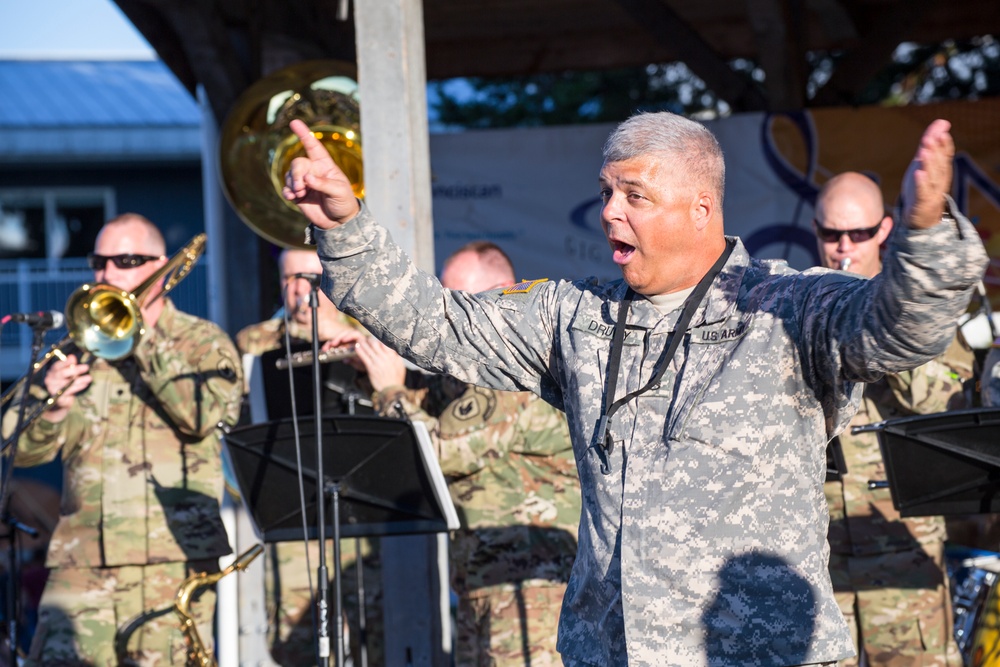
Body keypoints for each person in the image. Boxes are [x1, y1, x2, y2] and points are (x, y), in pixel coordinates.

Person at [281, 114, 989, 666]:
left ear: (700, 208)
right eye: (606, 193)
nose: (610, 212)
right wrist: (346, 227)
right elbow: (433, 325)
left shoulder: (788, 307)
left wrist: (924, 235)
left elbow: (901, 331)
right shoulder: (575, 317)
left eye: (635, 195)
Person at [2, 214, 243, 666]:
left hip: (171, 561)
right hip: (80, 561)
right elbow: (23, 449)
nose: (108, 274)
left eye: (127, 260)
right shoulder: (76, 348)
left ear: (163, 269)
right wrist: (53, 406)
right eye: (99, 261)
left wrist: (142, 335)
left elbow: (203, 415)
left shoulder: (202, 342)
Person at [336, 241, 581, 666]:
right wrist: (368, 372)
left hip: (530, 591)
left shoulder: (517, 380)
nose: (455, 319)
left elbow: (440, 451)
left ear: (505, 292)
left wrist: (389, 390)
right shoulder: (476, 375)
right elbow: (437, 401)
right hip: (481, 583)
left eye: (463, 302)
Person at [814, 172, 970, 667]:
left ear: (884, 230)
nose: (844, 246)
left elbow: (942, 405)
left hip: (903, 557)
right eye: (831, 234)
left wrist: (887, 329)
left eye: (857, 234)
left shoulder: (921, 311)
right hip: (820, 563)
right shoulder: (799, 307)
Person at [235, 247, 383, 667]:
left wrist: (335, 332)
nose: (301, 289)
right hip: (294, 512)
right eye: (291, 278)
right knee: (294, 641)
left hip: (359, 514)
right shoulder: (256, 340)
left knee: (373, 632)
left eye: (312, 279)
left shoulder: (364, 332)